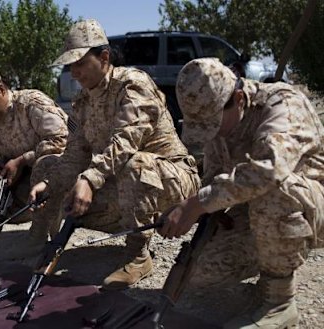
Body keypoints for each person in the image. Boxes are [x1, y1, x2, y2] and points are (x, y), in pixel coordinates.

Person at [29, 19, 200, 290]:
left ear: (104, 57)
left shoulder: (133, 85)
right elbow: (75, 154)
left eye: (80, 63)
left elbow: (125, 143)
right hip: (129, 182)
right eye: (71, 65)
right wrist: (49, 185)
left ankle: (138, 256)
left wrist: (89, 180)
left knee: (134, 164)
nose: (74, 73)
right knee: (61, 186)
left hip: (174, 180)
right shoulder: (84, 103)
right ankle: (47, 242)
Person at [158, 57, 324, 328]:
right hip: (259, 210)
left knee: (274, 190)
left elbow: (268, 173)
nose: (213, 132)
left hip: (307, 205)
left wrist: (196, 205)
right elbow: (213, 178)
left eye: (213, 123)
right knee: (202, 270)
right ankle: (272, 262)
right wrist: (195, 210)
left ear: (238, 98)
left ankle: (280, 300)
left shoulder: (283, 104)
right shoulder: (221, 120)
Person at [0, 64, 69, 259]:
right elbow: (6, 160)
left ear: (2, 90)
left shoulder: (32, 103)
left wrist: (21, 160)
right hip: (32, 180)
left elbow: (63, 141)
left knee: (45, 164)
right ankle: (49, 214)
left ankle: (41, 235)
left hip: (63, 172)